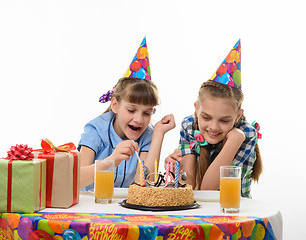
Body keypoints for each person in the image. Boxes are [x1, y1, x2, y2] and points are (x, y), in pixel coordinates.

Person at [166, 40, 262, 198]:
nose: (214, 127)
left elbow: (209, 190)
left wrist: (233, 142)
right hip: (201, 212)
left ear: (238, 116)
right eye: (206, 117)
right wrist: (177, 170)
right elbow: (190, 185)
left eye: (224, 121)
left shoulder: (246, 133)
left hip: (235, 213)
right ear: (196, 108)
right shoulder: (189, 125)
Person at [79, 37, 175, 191]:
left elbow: (143, 186)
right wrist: (111, 160)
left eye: (147, 113)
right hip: (91, 205)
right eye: (131, 110)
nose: (139, 120)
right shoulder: (96, 130)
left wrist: (158, 134)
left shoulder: (148, 133)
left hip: (125, 210)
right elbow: (76, 181)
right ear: (115, 105)